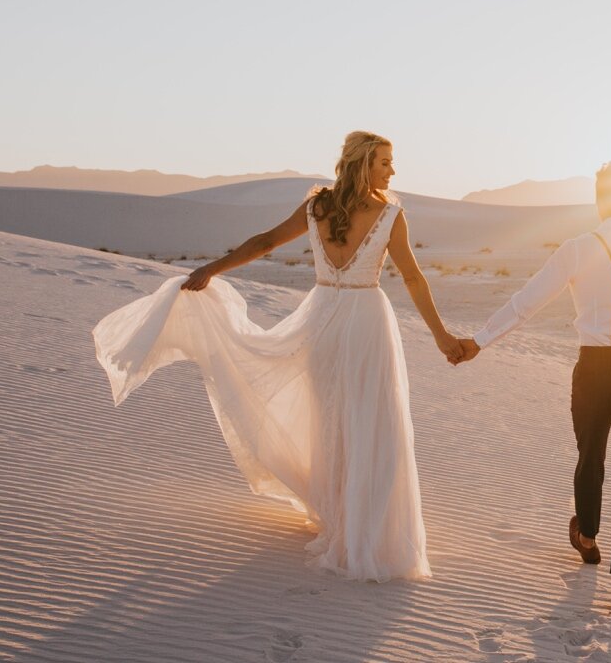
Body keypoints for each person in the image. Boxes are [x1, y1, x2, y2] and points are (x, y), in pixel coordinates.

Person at [92, 131, 462, 581]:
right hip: (366, 322)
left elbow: (265, 242)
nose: (392, 171)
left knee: (331, 419)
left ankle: (340, 515)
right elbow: (414, 280)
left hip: (323, 316)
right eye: (385, 162)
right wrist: (441, 336)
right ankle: (366, 526)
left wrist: (213, 268)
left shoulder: (317, 207)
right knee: (370, 418)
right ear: (365, 164)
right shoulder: (389, 215)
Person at [453, 162, 611, 618]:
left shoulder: (576, 250)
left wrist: (479, 341)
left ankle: (588, 536)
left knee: (589, 453)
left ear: (598, 198)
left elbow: (526, 303)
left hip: (593, 367)